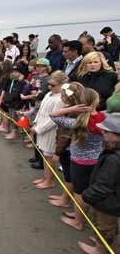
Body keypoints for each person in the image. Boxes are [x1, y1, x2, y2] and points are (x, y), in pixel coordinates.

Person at [51, 88, 106, 231]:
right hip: (97, 161)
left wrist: (72, 108)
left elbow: (53, 115)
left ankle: (78, 221)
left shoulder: (76, 122)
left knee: (79, 193)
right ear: (97, 101)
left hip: (79, 162)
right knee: (90, 191)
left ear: (78, 103)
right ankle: (81, 216)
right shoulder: (104, 119)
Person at [79, 112, 120, 254]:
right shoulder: (113, 151)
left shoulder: (113, 159)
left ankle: (100, 249)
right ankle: (105, 243)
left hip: (108, 203)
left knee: (104, 226)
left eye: (106, 132)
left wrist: (87, 195)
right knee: (109, 227)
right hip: (113, 202)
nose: (103, 133)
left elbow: (103, 186)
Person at [48, 82, 85, 207]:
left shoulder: (73, 111)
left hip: (68, 149)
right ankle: (65, 196)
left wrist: (58, 152)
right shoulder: (74, 109)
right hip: (70, 148)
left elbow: (65, 135)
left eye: (63, 94)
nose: (61, 96)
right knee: (68, 175)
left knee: (69, 176)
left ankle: (65, 200)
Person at [30, 71, 66, 189]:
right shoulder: (48, 94)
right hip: (41, 128)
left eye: (53, 85)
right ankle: (45, 177)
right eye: (49, 84)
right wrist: (35, 122)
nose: (50, 87)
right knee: (44, 155)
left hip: (51, 132)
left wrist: (39, 129)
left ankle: (50, 180)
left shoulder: (61, 99)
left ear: (62, 84)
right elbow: (41, 110)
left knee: (49, 157)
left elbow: (54, 119)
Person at [1, 63, 26, 139]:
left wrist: (20, 81)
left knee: (16, 118)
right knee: (12, 117)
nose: (14, 73)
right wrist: (5, 99)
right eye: (13, 71)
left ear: (21, 73)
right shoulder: (12, 80)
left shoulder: (22, 82)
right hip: (10, 103)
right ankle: (14, 131)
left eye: (16, 72)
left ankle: (15, 132)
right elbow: (8, 91)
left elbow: (17, 93)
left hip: (17, 104)